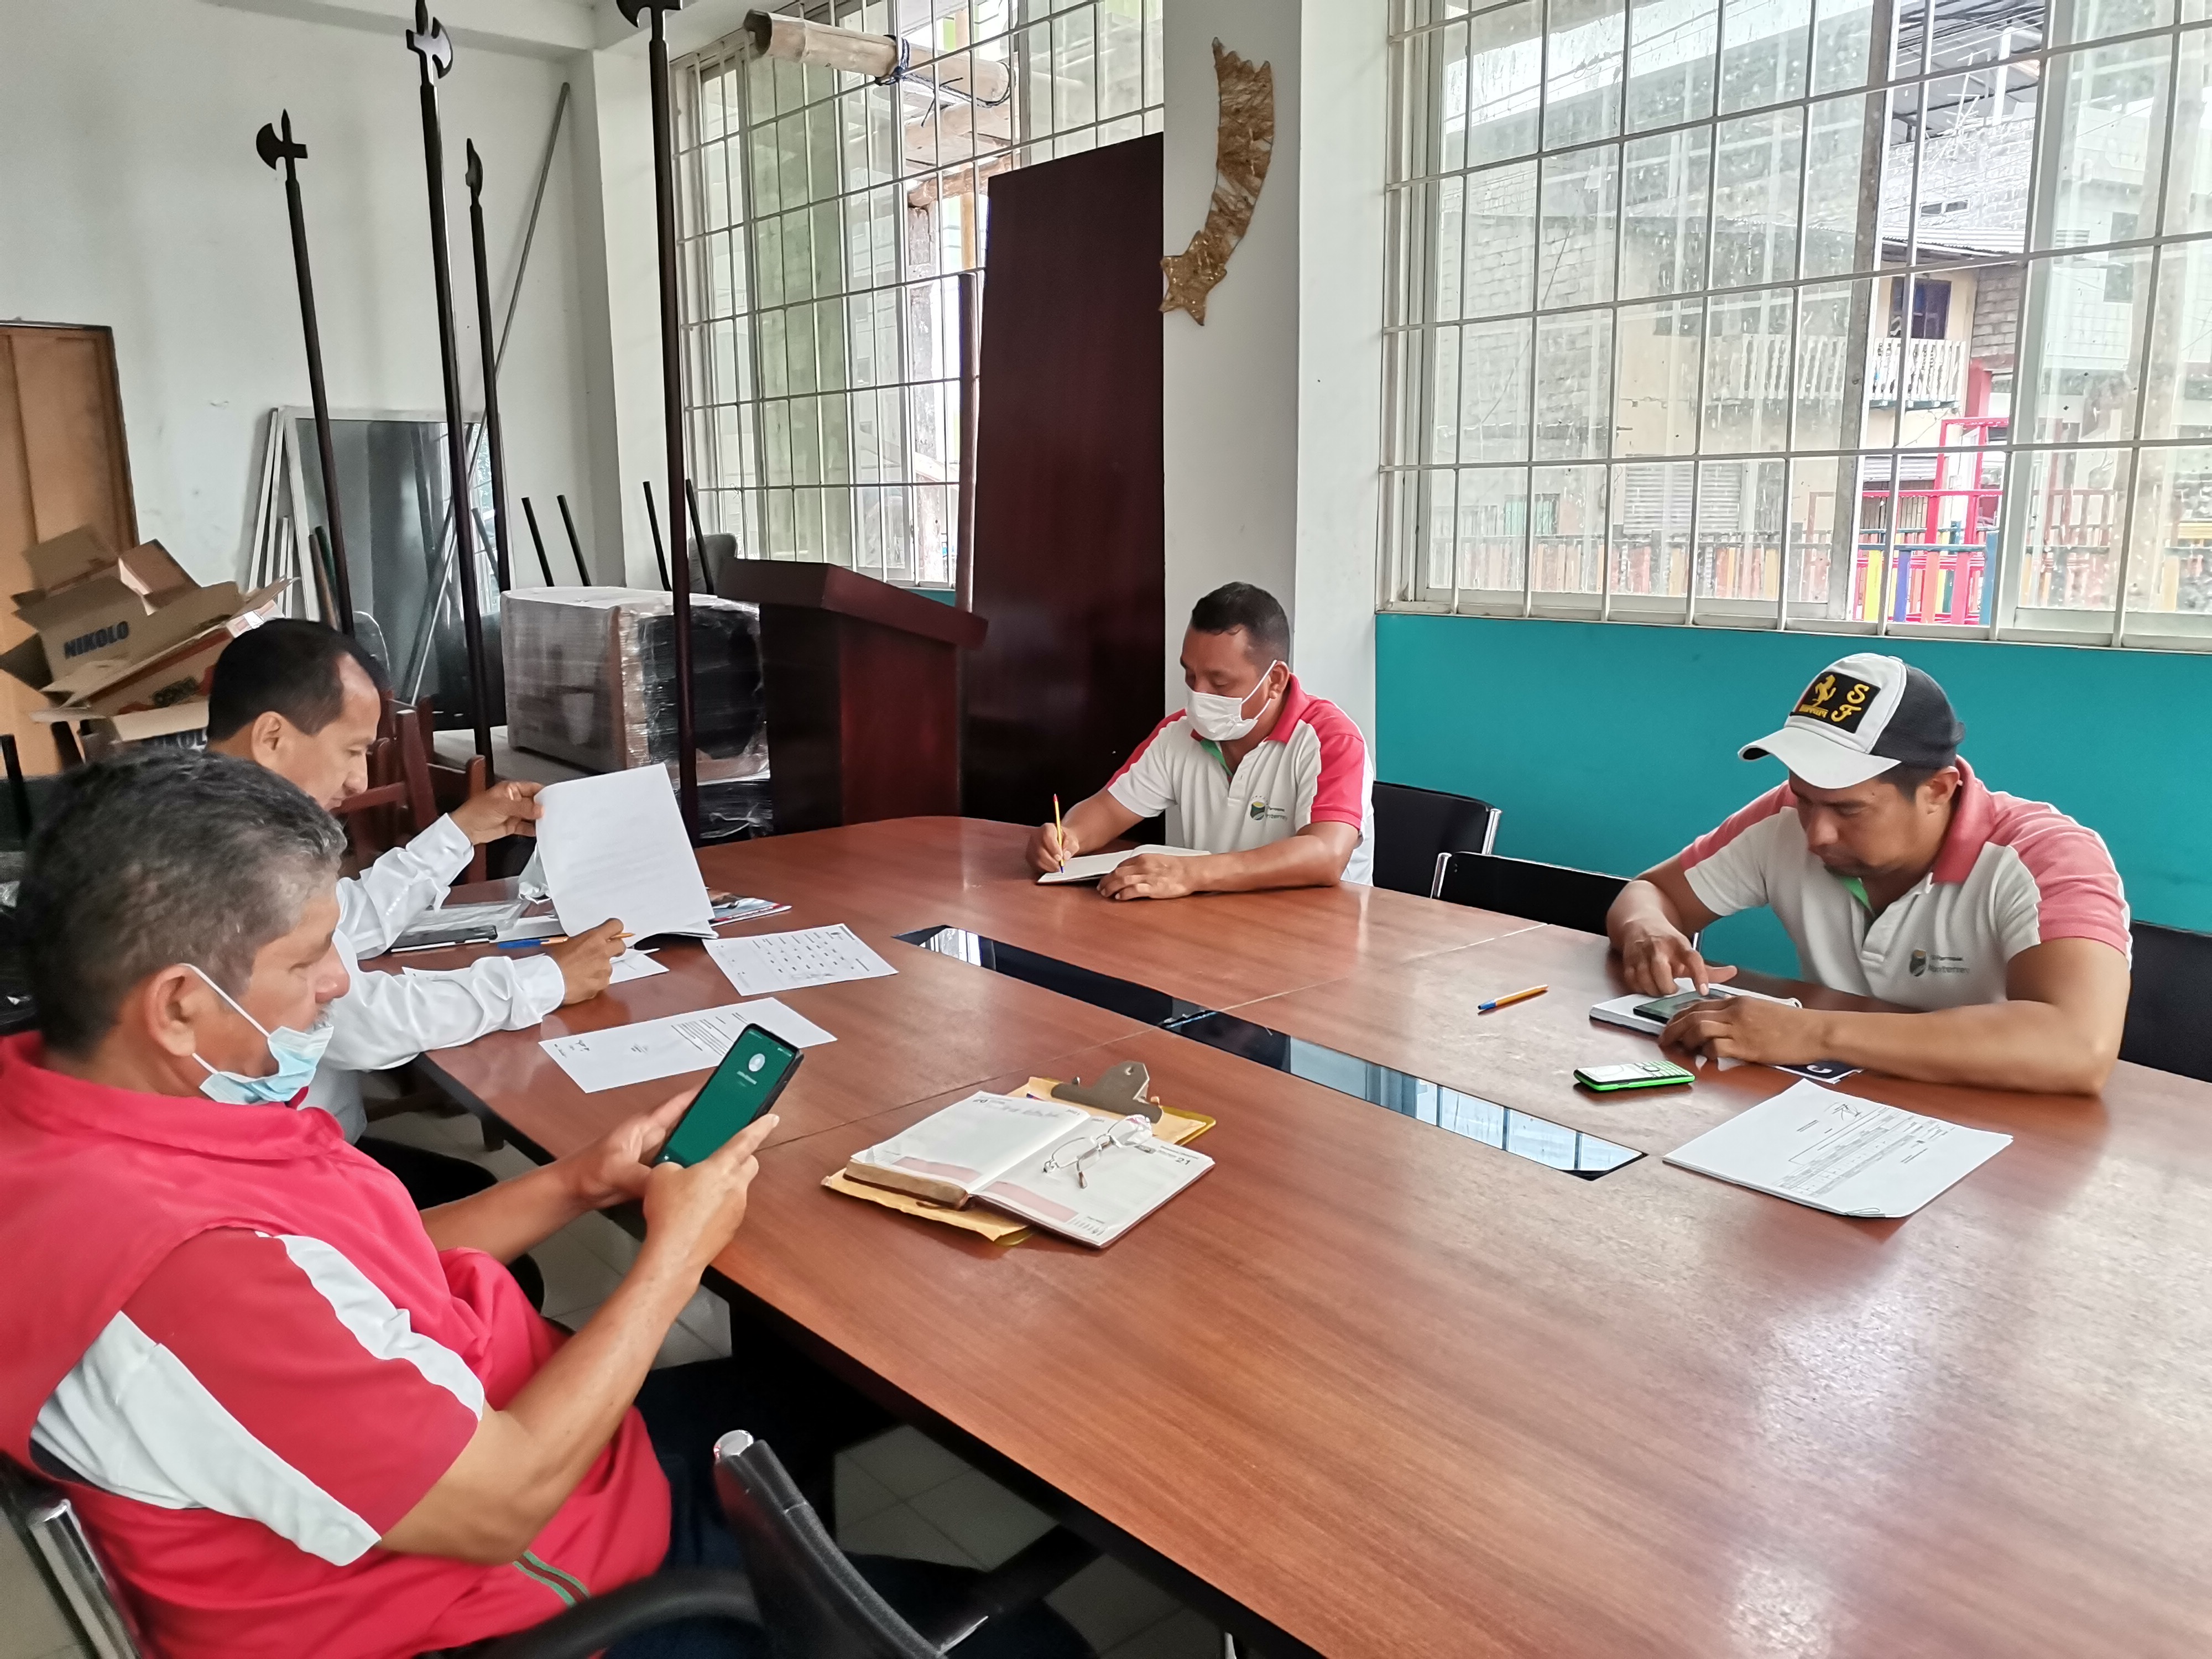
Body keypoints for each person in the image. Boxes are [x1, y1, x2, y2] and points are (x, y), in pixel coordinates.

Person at [0, 749, 874, 1658]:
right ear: (178, 1007)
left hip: (514, 1439)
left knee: (805, 1389)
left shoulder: (91, 1119)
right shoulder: (191, 1280)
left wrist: (579, 1179)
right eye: (306, 960)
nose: (338, 982)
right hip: (540, 1604)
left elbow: (352, 1269)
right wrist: (674, 1258)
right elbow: (503, 1504)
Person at [207, 620, 624, 1200]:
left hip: (294, 1146)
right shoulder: (229, 861)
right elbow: (360, 1023)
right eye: (352, 750)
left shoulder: (224, 818)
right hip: (272, 1177)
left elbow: (343, 921)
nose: (359, 780)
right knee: (487, 1206)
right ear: (272, 737)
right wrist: (545, 980)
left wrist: (458, 834)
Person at [1604, 653, 2132, 1094]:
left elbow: (2078, 1045)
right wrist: (1647, 930)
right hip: (1839, 1103)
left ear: (1938, 790)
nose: (1817, 834)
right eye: (1804, 798)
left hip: (2002, 1123)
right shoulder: (1786, 817)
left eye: (1849, 810)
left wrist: (1814, 1033)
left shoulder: (2047, 855)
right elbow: (1650, 892)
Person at [1026, 582, 1374, 898]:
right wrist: (1068, 837)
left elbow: (1326, 854)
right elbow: (1109, 808)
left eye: (1219, 683)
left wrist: (1190, 873)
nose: (1199, 694)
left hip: (1317, 933)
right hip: (1216, 923)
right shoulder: (1179, 733)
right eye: (1190, 675)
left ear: (1275, 680)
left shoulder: (1331, 739)